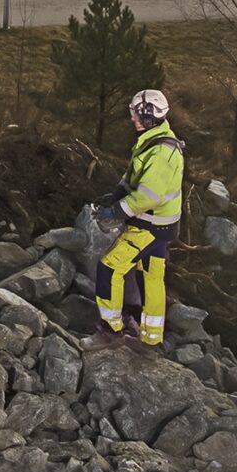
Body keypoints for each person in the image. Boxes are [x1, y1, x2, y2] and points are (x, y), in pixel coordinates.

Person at [91, 88, 185, 348]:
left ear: (150, 115)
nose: (132, 119)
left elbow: (147, 196)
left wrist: (117, 210)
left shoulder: (161, 152)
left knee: (109, 268)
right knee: (151, 276)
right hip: (163, 226)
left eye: (136, 114)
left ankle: (111, 331)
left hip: (150, 224)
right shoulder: (156, 140)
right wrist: (118, 192)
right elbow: (137, 175)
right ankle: (151, 339)